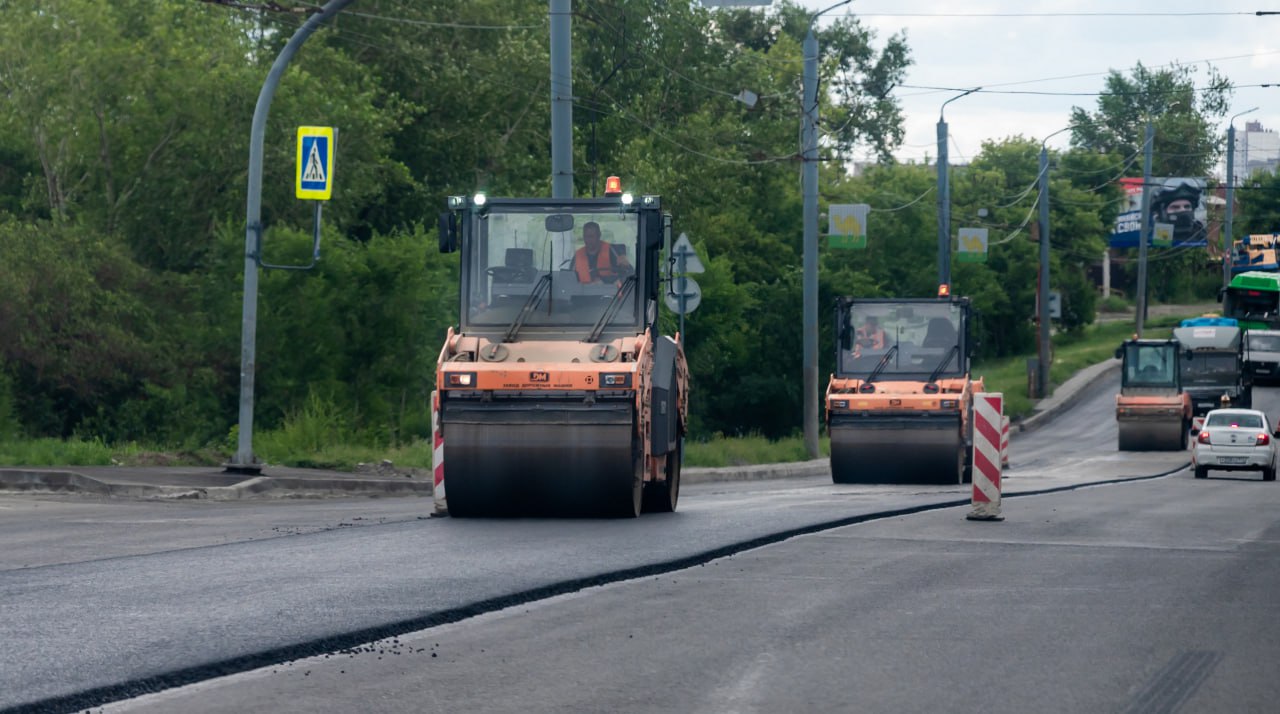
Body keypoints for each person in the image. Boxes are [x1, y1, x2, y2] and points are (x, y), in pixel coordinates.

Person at [1153, 179, 1207, 244]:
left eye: (1187, 207)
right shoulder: (1152, 238)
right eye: (1175, 207)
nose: (1183, 210)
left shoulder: (1202, 235)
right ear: (1163, 213)